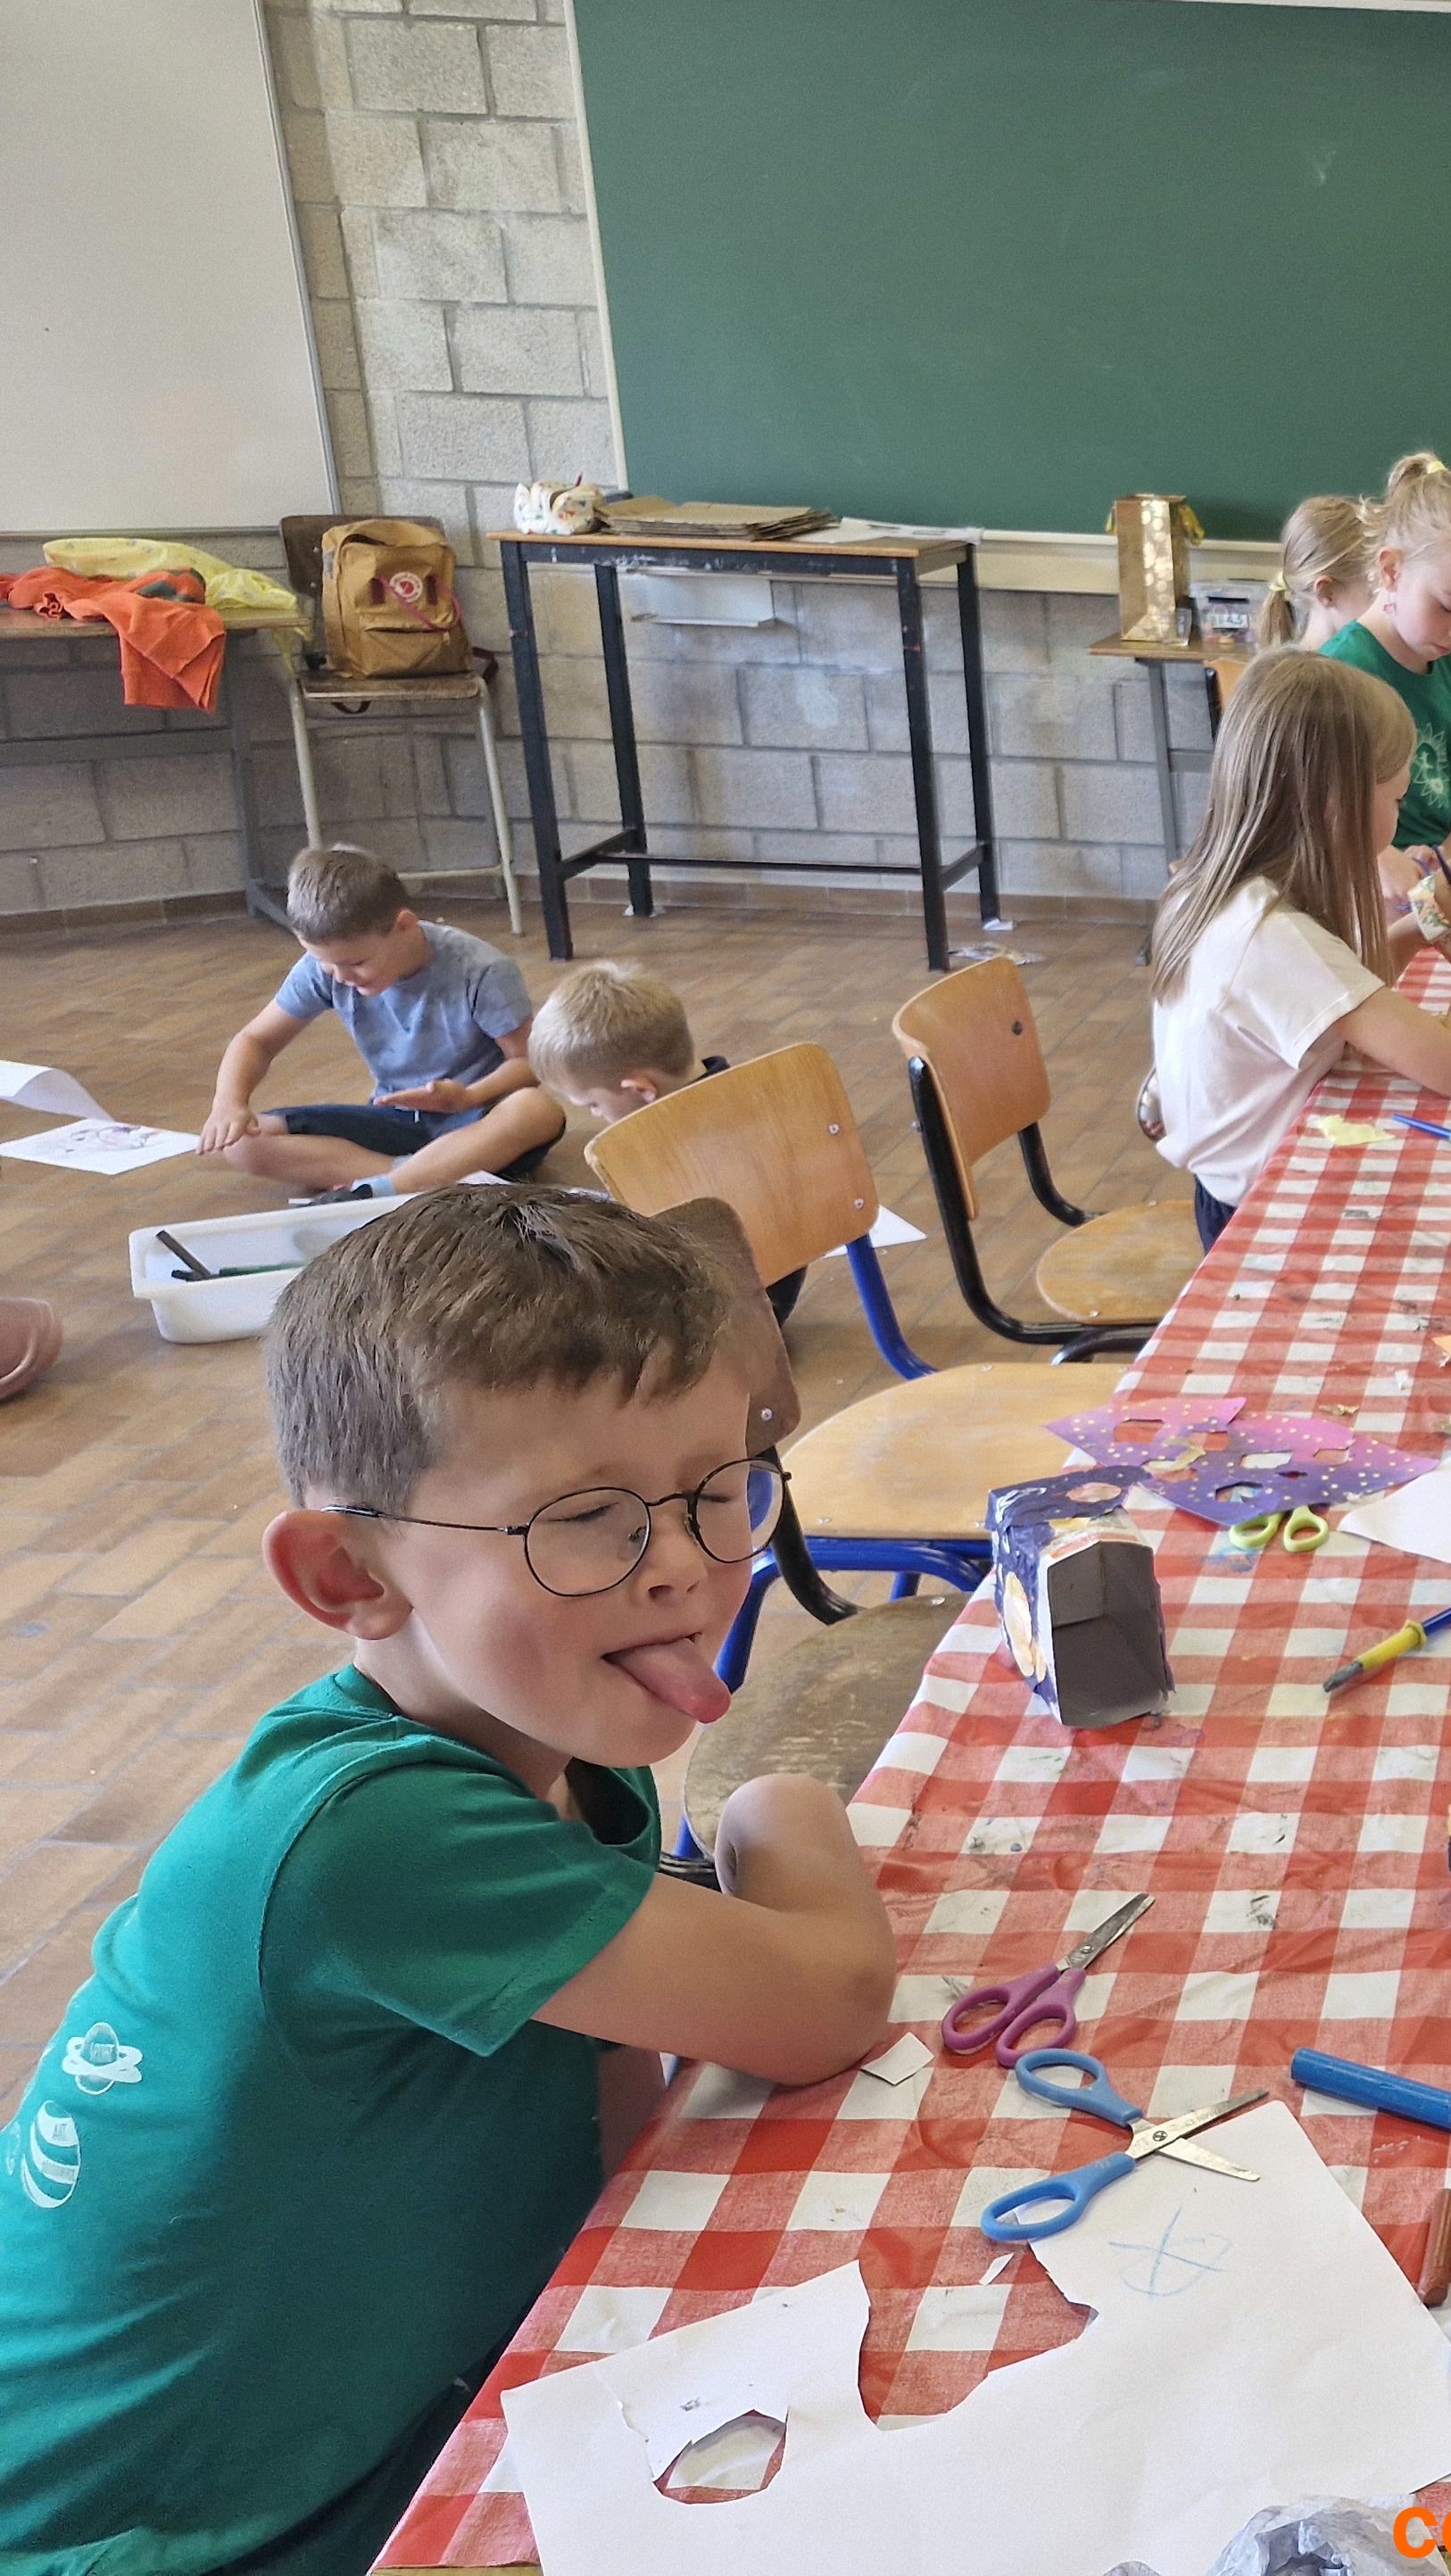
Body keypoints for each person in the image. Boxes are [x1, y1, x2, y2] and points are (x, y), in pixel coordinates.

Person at [0, 1187, 899, 2572]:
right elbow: (826, 2003)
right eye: (587, 1518)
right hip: (166, 2536)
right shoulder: (377, 1834)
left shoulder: (554, 1747)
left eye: (717, 1492)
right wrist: (778, 1803)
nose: (685, 1566)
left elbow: (613, 2126)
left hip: (373, 2420)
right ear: (348, 1575)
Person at [1144, 649, 1451, 1244]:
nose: (1399, 816)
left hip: (1249, 1189)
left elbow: (1338, 998)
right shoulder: (1266, 934)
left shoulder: (1230, 893)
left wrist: (1417, 931)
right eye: (1396, 800)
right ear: (1335, 803)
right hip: (1262, 1214)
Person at [200, 845, 566, 1201]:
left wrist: (468, 1097)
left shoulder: (481, 969)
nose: (340, 976)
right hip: (395, 1119)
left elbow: (529, 1062)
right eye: (325, 963)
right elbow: (257, 1040)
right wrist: (228, 1103)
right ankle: (415, 1180)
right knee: (242, 1142)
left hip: (475, 1120)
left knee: (536, 1110)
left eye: (356, 962)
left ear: (404, 925)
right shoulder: (326, 968)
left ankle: (391, 1185)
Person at [527, 960, 802, 1318]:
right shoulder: (749, 1096)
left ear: (641, 1089)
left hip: (720, 1316)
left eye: (593, 1103)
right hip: (775, 1286)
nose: (595, 1115)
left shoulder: (663, 1147)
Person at [1318, 453, 1451, 866]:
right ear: (1391, 570)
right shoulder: (1339, 674)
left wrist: (1444, 861)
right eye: (1447, 607)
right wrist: (1392, 865)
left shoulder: (1447, 667)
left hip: (1442, 871)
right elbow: (1316, 816)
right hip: (1369, 881)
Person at [1250, 492, 1378, 650]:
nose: (1384, 602)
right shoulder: (1306, 666)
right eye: (1373, 591)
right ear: (1327, 593)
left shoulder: (1356, 654)